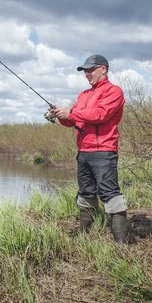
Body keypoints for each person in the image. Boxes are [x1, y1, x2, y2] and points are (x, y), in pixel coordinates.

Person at [49, 54, 128, 244]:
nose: (87, 74)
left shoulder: (114, 91)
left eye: (91, 69)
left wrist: (72, 113)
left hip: (103, 151)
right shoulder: (83, 95)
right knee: (86, 192)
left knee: (109, 193)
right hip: (83, 152)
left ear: (104, 69)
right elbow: (72, 121)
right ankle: (84, 234)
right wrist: (61, 115)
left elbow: (100, 114)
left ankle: (121, 243)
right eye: (85, 71)